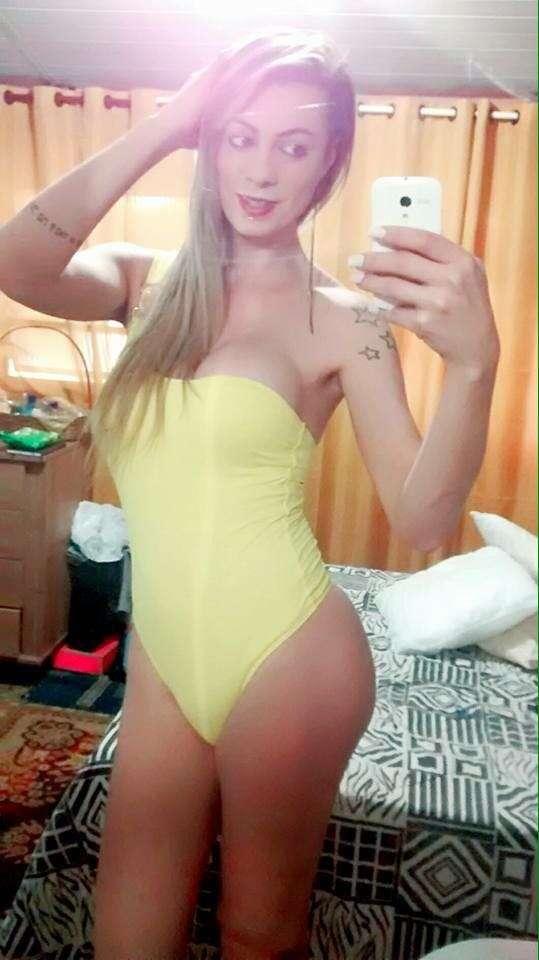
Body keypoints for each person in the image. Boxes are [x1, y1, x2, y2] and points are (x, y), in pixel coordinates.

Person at [0, 28, 381, 960]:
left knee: (257, 934)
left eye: (294, 144)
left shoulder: (341, 317)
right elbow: (16, 262)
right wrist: (165, 125)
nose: (260, 169)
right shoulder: (146, 282)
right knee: (126, 939)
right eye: (238, 136)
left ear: (328, 163)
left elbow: (421, 508)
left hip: (291, 649)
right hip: (165, 652)